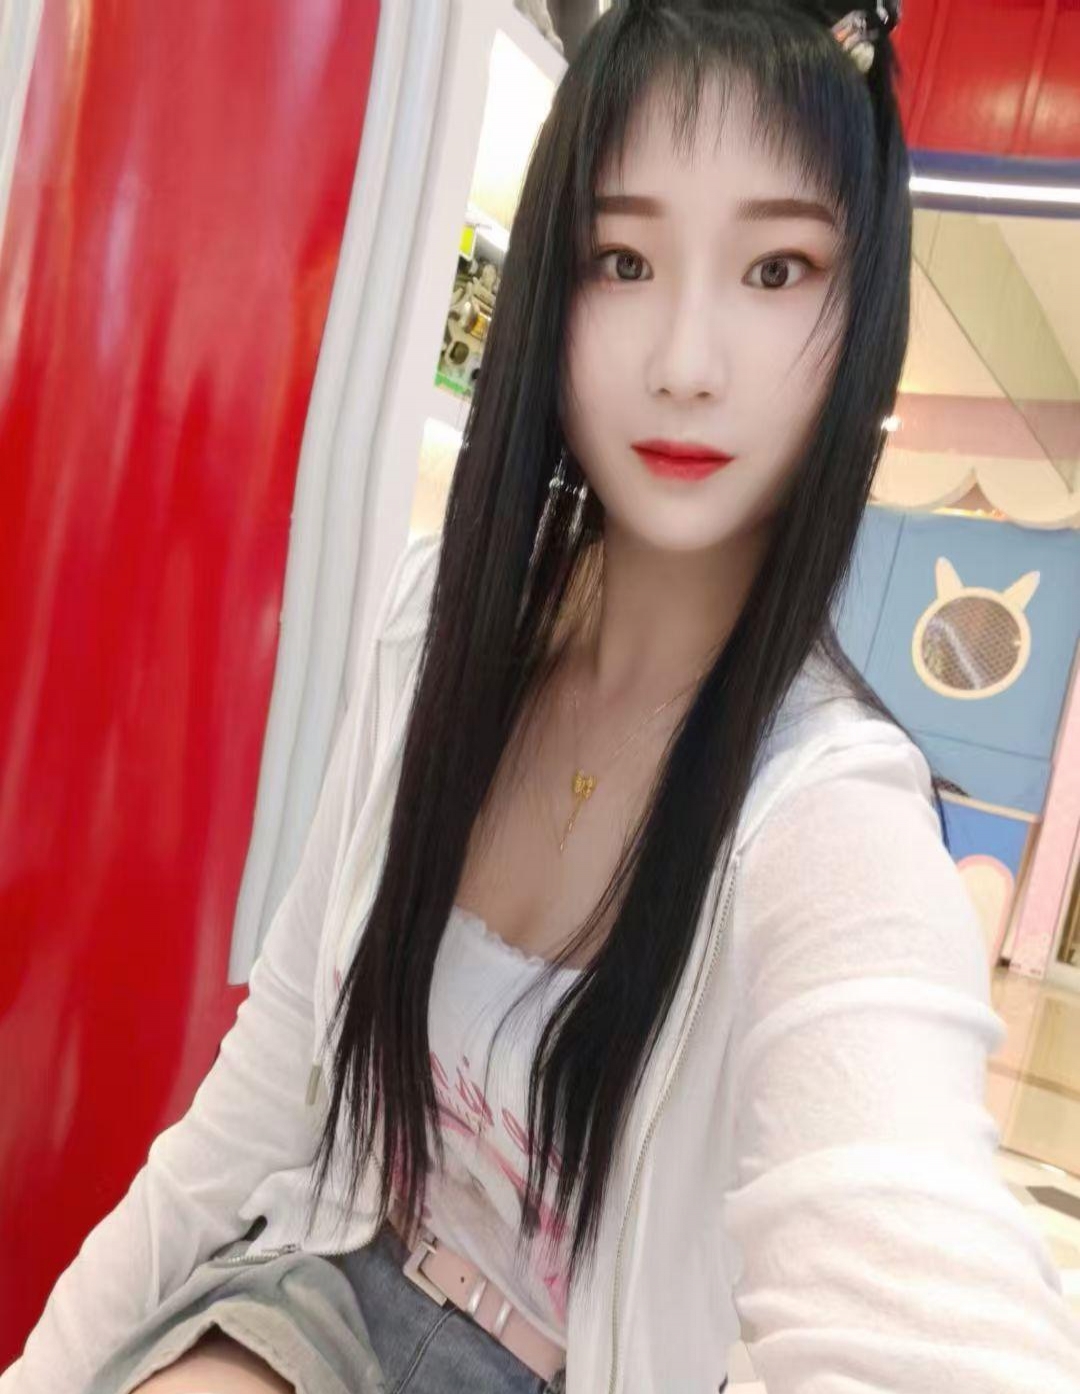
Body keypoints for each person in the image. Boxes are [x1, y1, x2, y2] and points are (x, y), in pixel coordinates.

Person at [6, 3, 1080, 1393]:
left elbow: (923, 1310)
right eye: (624, 259)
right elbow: (263, 1094)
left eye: (775, 269)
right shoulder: (438, 627)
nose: (686, 359)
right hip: (322, 1279)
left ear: (859, 311)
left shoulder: (830, 816)